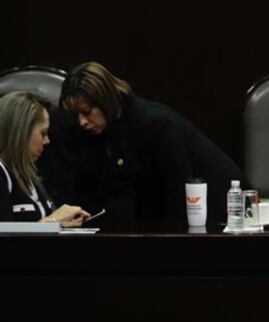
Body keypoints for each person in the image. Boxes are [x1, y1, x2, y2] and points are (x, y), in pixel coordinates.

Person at [41, 62, 245, 225]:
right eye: (76, 115)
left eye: (86, 112)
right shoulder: (97, 130)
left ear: (106, 100)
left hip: (223, 209)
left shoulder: (154, 123)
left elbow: (178, 191)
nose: (82, 122)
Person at [0, 91, 89, 226]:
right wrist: (54, 220)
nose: (47, 140)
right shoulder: (2, 173)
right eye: (43, 133)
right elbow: (4, 235)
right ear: (22, 132)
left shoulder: (30, 176)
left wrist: (61, 224)